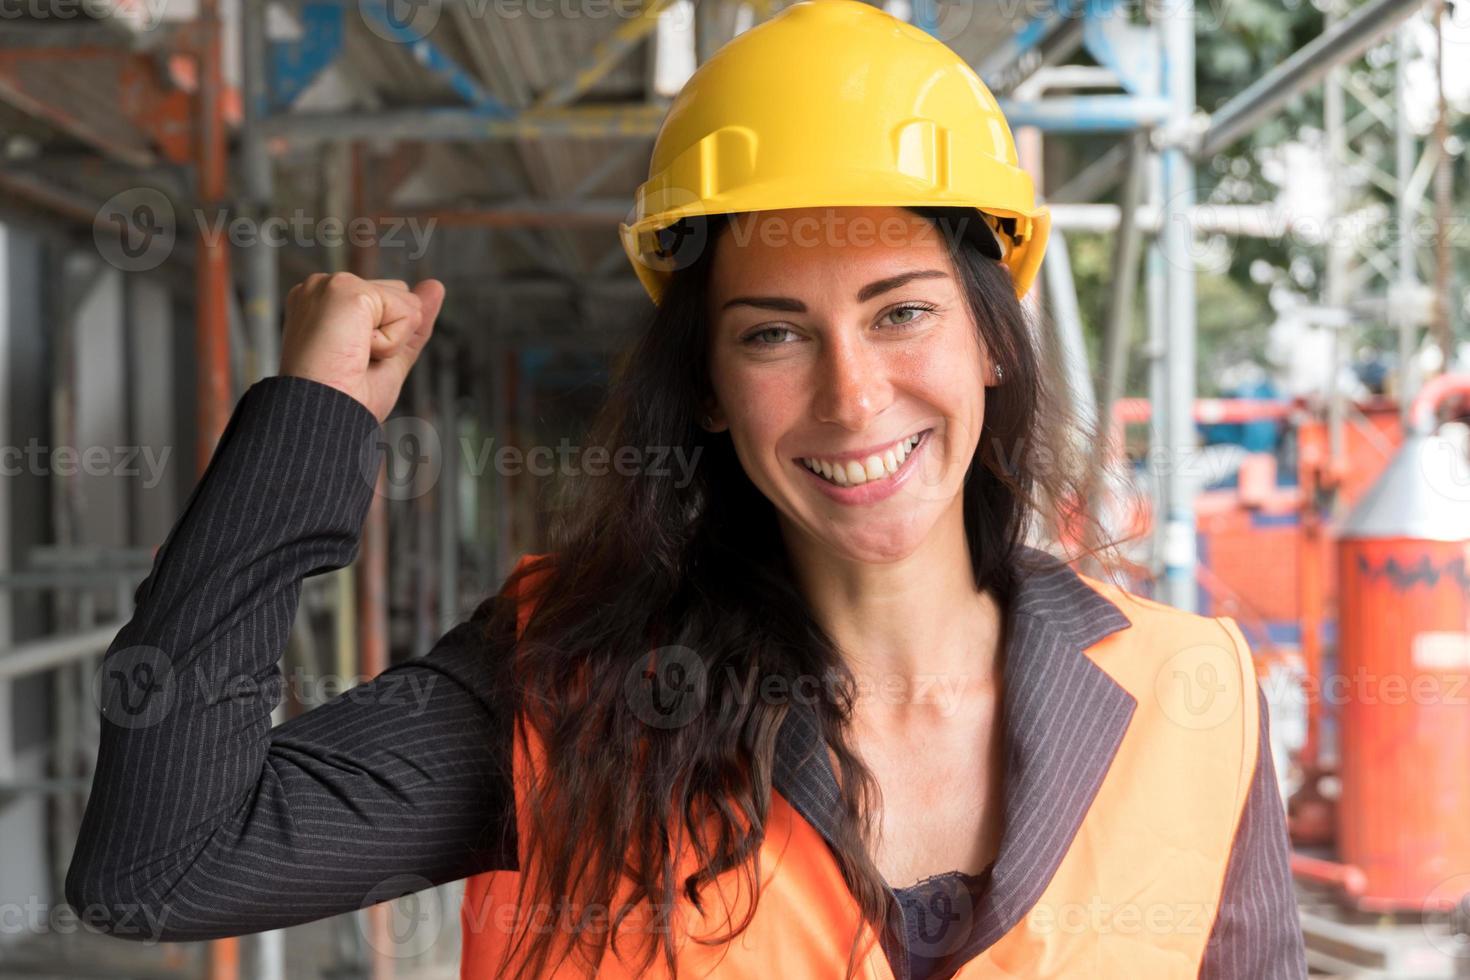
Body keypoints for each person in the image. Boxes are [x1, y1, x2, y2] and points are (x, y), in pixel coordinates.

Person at [66, 2, 1307, 978]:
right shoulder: (568, 684)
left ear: (991, 340)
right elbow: (156, 869)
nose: (855, 395)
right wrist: (309, 426)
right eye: (774, 333)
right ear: (708, 385)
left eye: (903, 313)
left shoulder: (1190, 697)